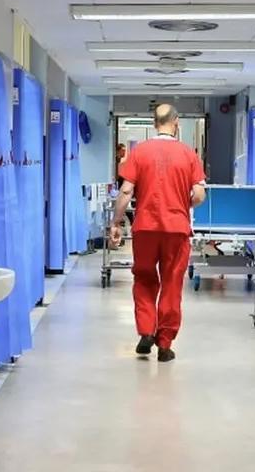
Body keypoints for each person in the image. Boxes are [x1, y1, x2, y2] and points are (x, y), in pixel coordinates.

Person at [109, 104, 206, 362]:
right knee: (172, 283)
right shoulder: (188, 154)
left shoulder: (139, 152)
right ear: (176, 123)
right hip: (177, 229)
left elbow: (126, 192)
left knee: (143, 278)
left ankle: (145, 331)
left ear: (154, 123)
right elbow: (199, 194)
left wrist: (116, 223)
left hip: (145, 227)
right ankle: (164, 344)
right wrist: (180, 206)